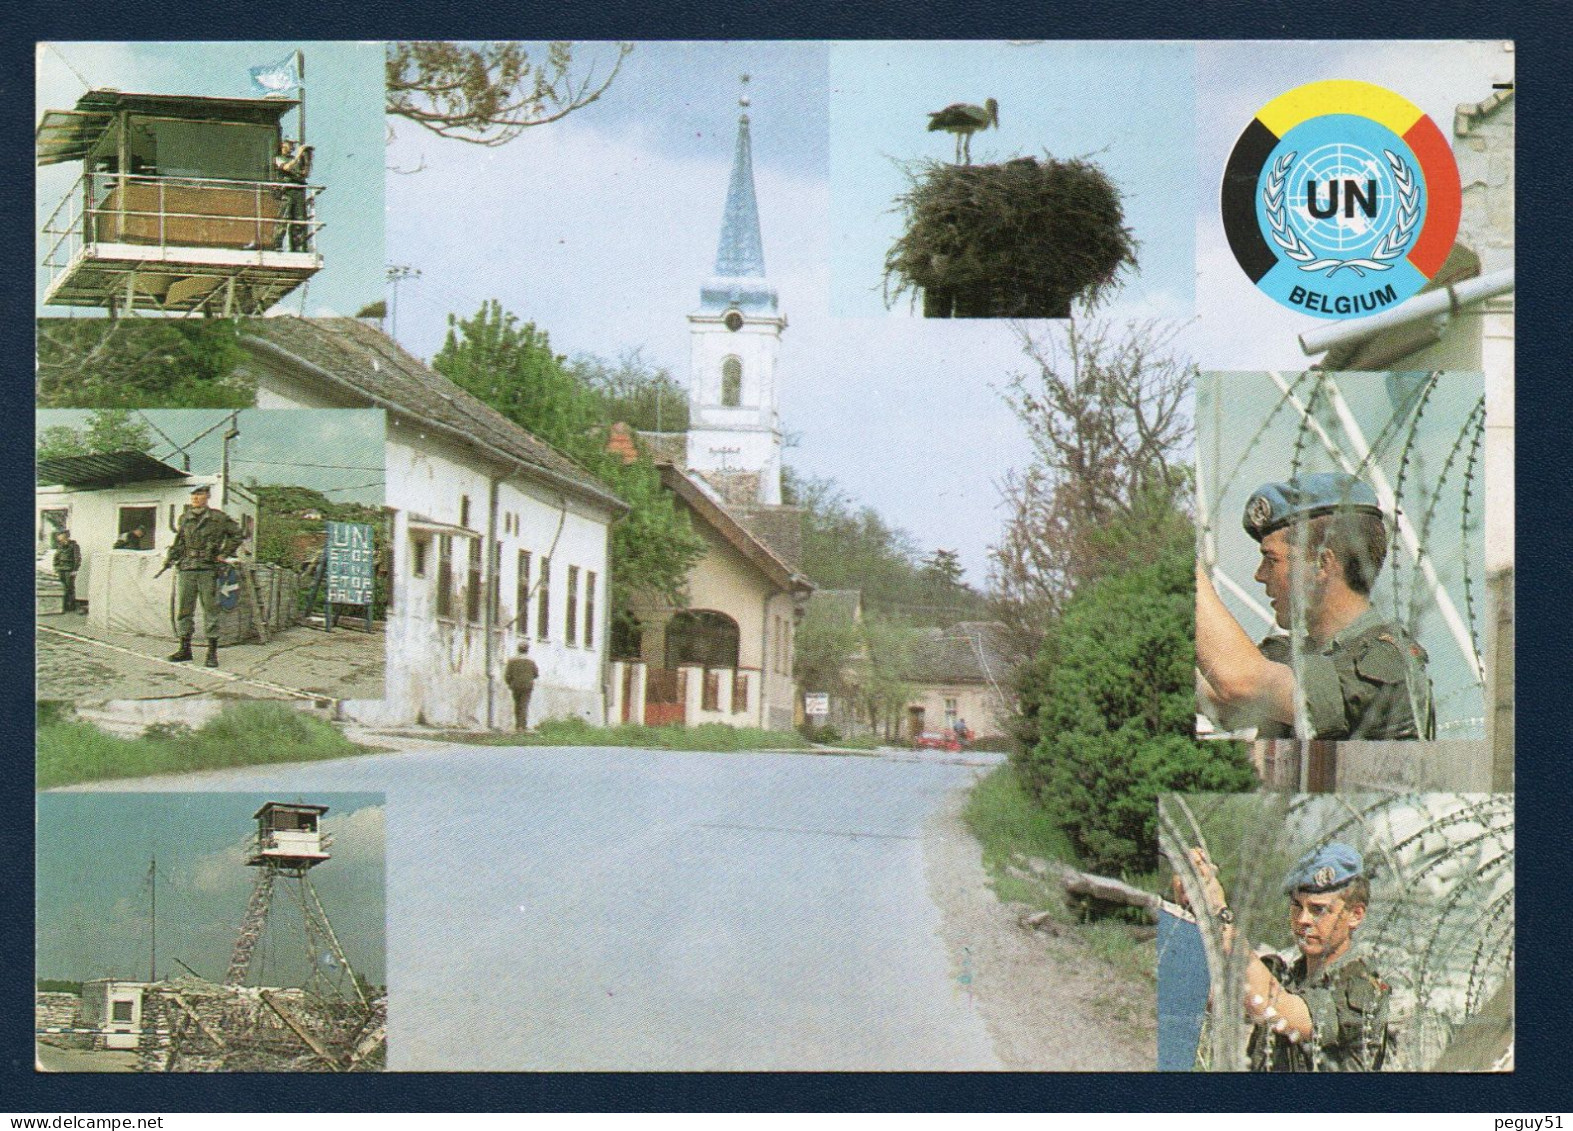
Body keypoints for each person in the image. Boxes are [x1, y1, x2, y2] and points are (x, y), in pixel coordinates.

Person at [1196, 472, 1433, 740]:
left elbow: (1238, 681)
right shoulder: (1291, 655)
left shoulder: (1386, 663)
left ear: (1322, 564)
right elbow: (1211, 690)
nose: (1259, 575)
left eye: (1271, 560)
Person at [1179, 843, 1392, 1072]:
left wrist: (1219, 912)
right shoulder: (1286, 977)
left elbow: (1280, 1010)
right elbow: (1205, 993)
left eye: (1318, 910)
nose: (1303, 920)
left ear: (1355, 915)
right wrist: (1194, 907)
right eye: (1297, 906)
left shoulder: (1361, 986)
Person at [162, 485, 242, 668]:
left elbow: (237, 535)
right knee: (184, 610)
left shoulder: (218, 518)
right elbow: (179, 542)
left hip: (208, 569)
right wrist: (171, 557)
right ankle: (185, 649)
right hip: (187, 568)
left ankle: (212, 653)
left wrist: (224, 553)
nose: (196, 499)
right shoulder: (184, 518)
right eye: (193, 496)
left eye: (199, 495)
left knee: (211, 610)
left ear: (207, 497)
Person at [504, 640, 540, 731]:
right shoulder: (531, 661)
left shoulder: (512, 661)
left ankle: (518, 725)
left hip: (515, 685)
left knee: (517, 704)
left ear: (518, 650)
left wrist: (510, 683)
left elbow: (507, 675)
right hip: (527, 686)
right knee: (524, 705)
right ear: (527, 650)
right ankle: (522, 725)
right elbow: (536, 674)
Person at [52, 529, 82, 614]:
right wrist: (56, 567)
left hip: (69, 569)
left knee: (70, 588)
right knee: (62, 587)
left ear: (66, 537)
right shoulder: (60, 546)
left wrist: (75, 569)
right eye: (59, 539)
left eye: (61, 538)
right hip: (61, 569)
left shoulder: (74, 546)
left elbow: (77, 558)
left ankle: (71, 605)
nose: (60, 540)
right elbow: (56, 558)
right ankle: (64, 605)